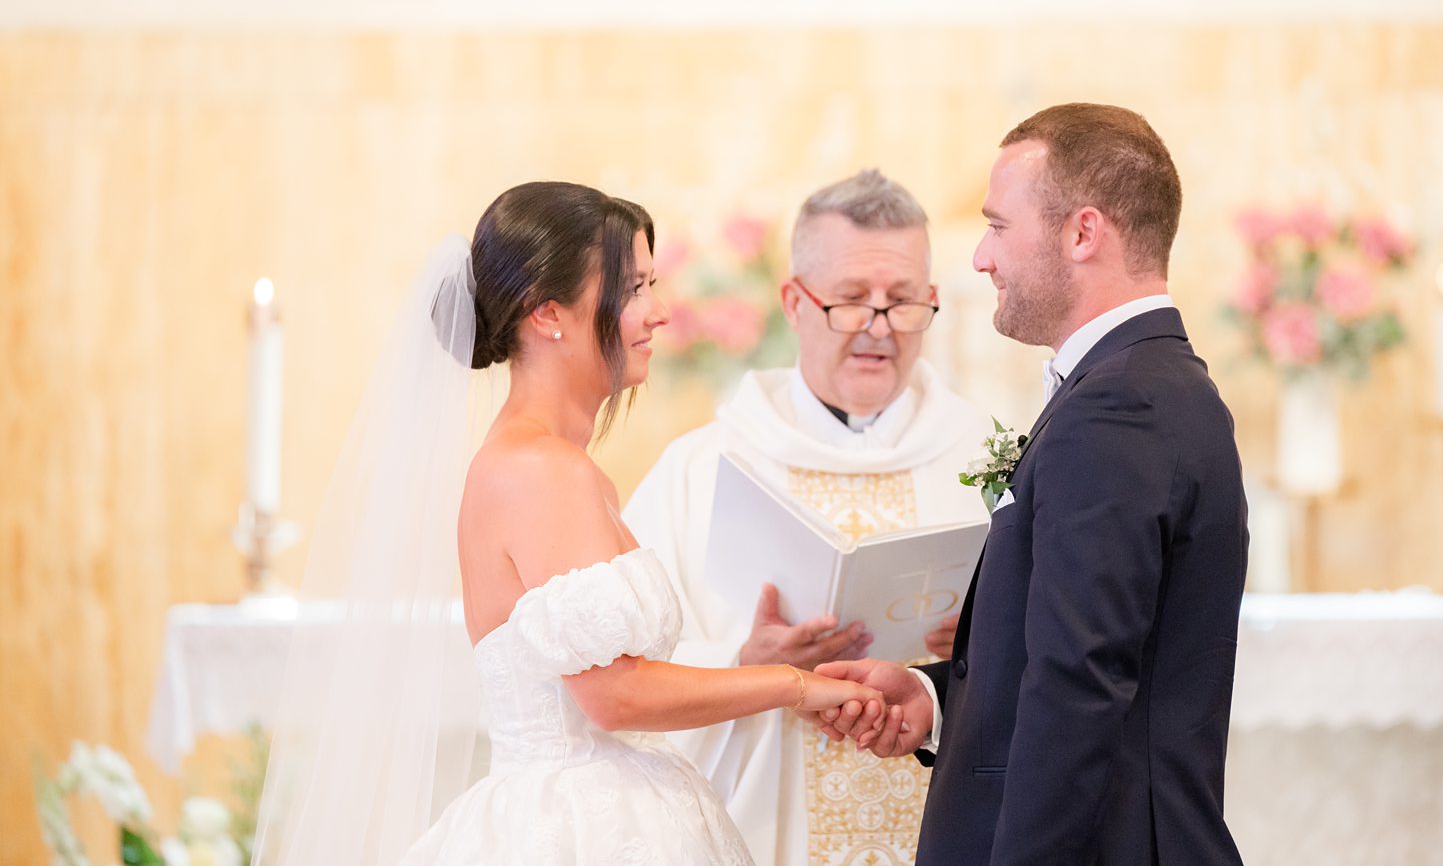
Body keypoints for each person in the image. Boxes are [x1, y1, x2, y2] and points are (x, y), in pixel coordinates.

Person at [253, 182, 888, 866]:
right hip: (576, 829)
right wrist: (796, 685)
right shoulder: (536, 469)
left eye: (654, 283)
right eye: (635, 287)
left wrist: (761, 664)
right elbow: (613, 694)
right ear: (548, 313)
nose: (660, 311)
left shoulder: (555, 463)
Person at [816, 105, 1249, 865]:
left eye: (997, 226)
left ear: (1083, 233)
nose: (981, 257)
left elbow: (1080, 683)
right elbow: (1066, 653)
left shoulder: (1121, 405)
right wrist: (937, 696)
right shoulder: (1143, 383)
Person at [624, 170, 991, 866]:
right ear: (794, 301)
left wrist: (970, 651)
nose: (879, 330)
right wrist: (745, 666)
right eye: (852, 302)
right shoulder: (702, 470)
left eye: (904, 302)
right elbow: (621, 679)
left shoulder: (985, 460)